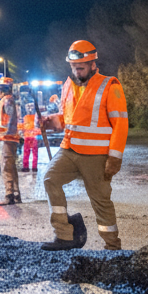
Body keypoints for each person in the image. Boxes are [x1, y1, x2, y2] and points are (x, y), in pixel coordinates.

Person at [40, 40, 127, 250]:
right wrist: (50, 121)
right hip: (69, 149)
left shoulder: (110, 85)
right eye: (73, 67)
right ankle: (65, 236)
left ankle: (112, 247)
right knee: (50, 179)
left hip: (96, 155)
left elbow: (121, 124)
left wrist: (115, 157)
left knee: (100, 200)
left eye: (81, 68)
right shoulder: (68, 86)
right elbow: (67, 120)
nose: (77, 72)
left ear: (92, 64)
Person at [0, 77, 23, 203]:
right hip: (7, 139)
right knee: (11, 167)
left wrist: (5, 135)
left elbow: (9, 121)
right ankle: (15, 194)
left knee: (6, 167)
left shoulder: (7, 101)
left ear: (2, 89)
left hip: (7, 140)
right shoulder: (6, 100)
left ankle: (9, 195)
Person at [21, 102, 41, 171]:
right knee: (34, 153)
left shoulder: (26, 117)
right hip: (33, 137)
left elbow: (23, 127)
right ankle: (34, 167)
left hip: (28, 137)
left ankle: (26, 167)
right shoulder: (36, 117)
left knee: (27, 153)